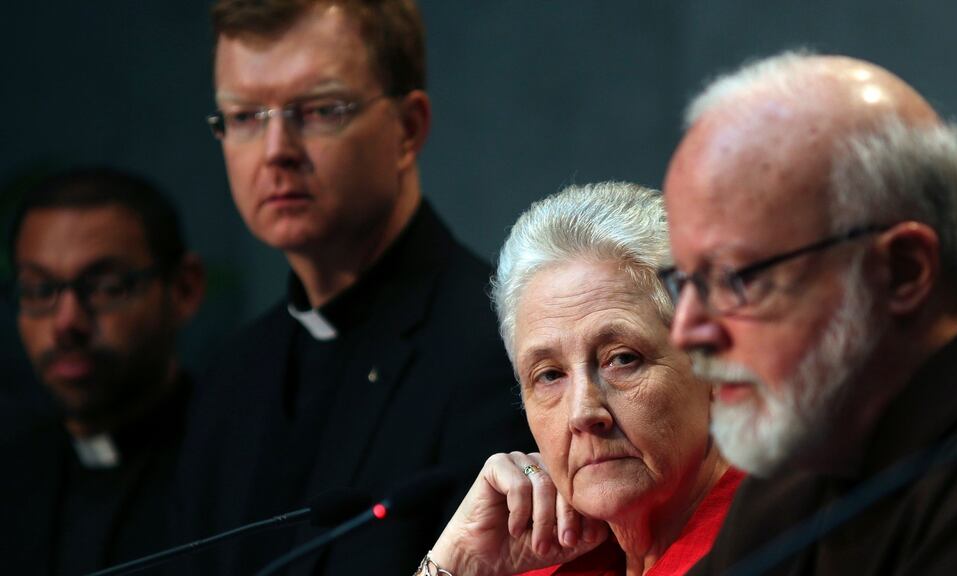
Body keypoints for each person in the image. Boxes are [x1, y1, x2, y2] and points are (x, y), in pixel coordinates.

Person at [176, 0, 533, 574]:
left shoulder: (502, 349)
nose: (276, 152)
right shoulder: (228, 380)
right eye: (244, 117)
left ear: (408, 129)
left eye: (318, 111)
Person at [661, 50, 957, 574]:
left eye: (738, 279)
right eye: (687, 281)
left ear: (903, 271)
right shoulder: (819, 436)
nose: (687, 330)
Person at [418, 182, 741, 576]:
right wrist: (457, 562)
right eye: (550, 375)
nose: (583, 412)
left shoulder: (784, 540)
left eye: (621, 359)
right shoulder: (540, 562)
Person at [0, 167, 205, 575]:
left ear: (183, 289)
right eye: (39, 290)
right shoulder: (11, 478)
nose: (67, 323)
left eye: (106, 287)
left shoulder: (234, 469)